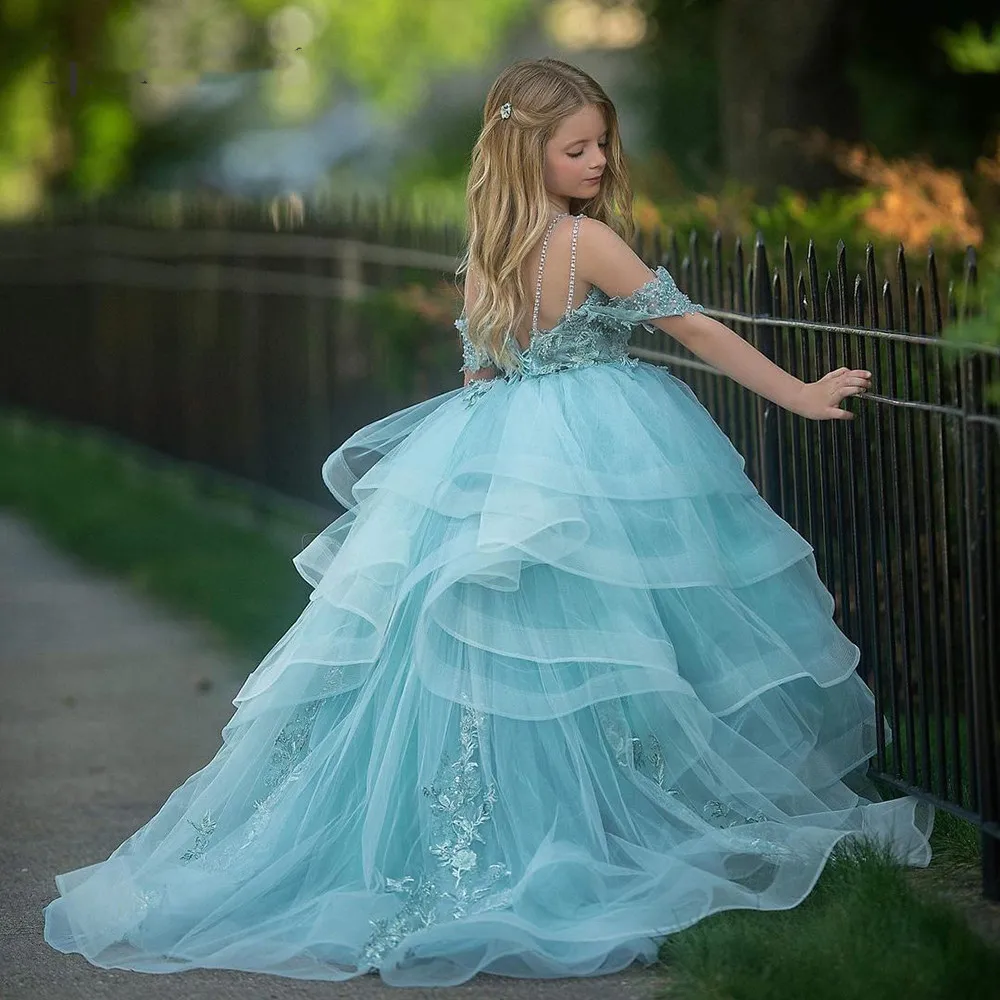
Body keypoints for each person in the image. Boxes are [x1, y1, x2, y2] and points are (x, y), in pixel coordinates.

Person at [42, 56, 933, 988]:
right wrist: (798, 391)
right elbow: (695, 330)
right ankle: (594, 818)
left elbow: (480, 374)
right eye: (577, 148)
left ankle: (517, 823)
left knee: (511, 647)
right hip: (596, 449)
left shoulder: (491, 247)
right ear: (526, 150)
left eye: (602, 145)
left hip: (499, 447)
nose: (597, 162)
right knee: (608, 634)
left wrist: (478, 470)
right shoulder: (588, 245)